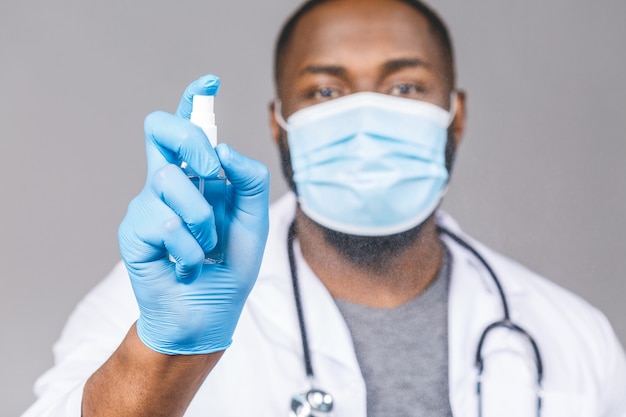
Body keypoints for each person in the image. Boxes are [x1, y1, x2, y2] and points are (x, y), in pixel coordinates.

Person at [22, 0, 626, 416]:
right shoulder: (157, 298)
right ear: (279, 123)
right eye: (325, 91)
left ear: (456, 113)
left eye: (405, 87)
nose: (366, 116)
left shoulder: (567, 333)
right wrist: (162, 353)